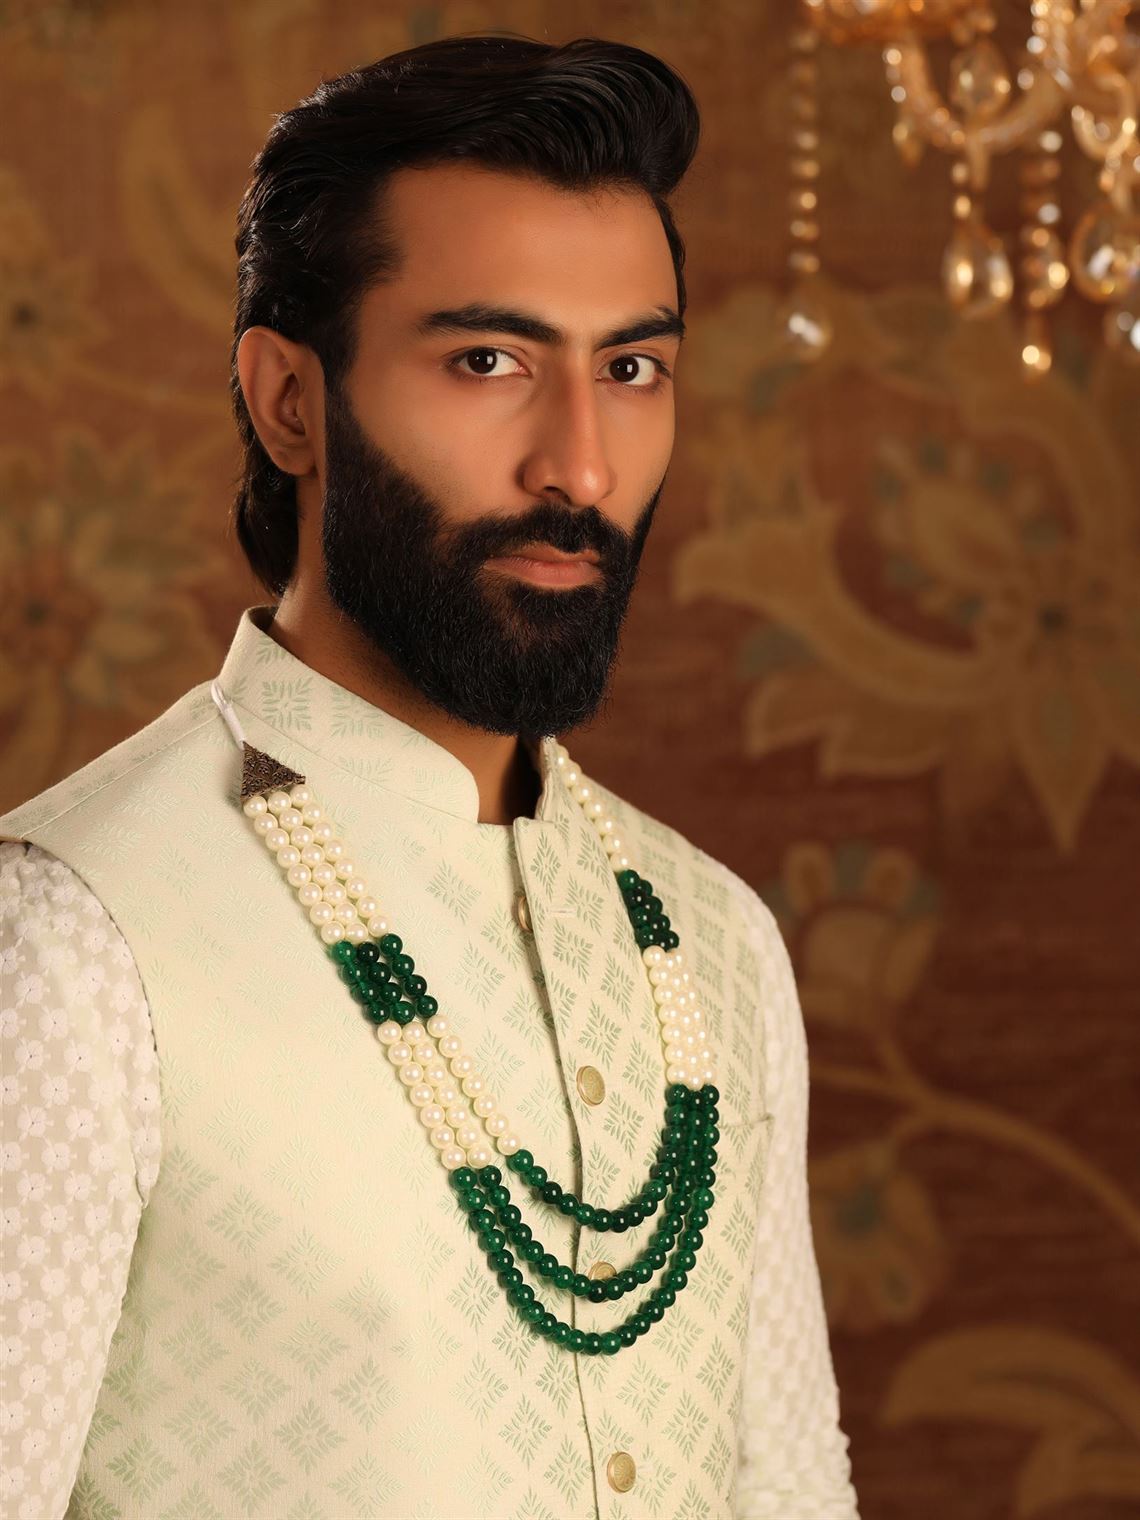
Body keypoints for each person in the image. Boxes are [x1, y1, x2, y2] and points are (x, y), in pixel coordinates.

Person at [0, 34, 859, 1520]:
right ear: (290, 400)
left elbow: (789, 1493)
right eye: (488, 362)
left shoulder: (712, 939)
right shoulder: (72, 945)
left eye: (632, 369)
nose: (581, 467)